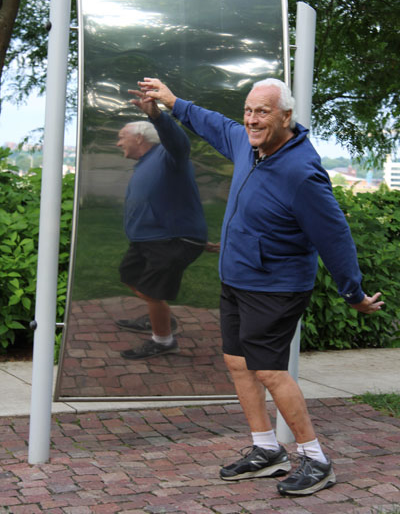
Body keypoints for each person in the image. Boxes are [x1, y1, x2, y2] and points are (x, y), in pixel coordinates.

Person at [134, 76, 384, 496]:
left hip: (277, 285)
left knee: (268, 368)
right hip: (237, 277)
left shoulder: (301, 172)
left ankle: (316, 460)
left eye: (262, 112)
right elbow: (211, 122)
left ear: (286, 117)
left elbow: (334, 235)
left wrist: (352, 292)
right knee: (237, 363)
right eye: (248, 110)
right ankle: (267, 450)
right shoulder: (247, 143)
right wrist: (174, 102)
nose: (251, 119)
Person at [115, 98, 208, 360]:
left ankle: (164, 340)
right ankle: (159, 315)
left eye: (122, 137)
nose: (118, 143)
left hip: (171, 240)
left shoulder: (168, 155)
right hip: (149, 240)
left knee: (154, 292)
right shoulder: (146, 163)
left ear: (139, 137)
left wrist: (157, 116)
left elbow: (179, 141)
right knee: (129, 275)